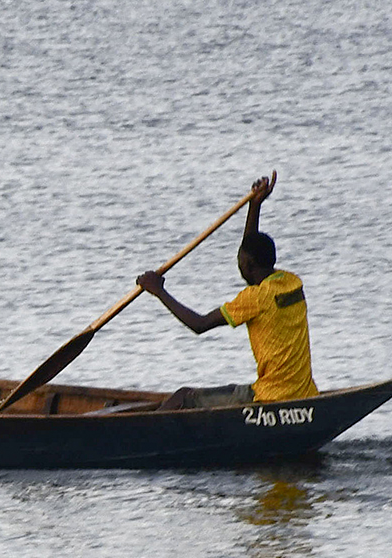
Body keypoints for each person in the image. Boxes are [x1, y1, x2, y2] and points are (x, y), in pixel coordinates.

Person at [135, 173, 318, 410]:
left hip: (270, 396)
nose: (238, 265)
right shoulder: (292, 282)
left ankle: (147, 429)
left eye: (240, 261)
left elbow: (199, 325)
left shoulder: (255, 298)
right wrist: (254, 206)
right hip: (303, 393)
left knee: (182, 397)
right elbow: (250, 247)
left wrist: (159, 291)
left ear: (249, 265)